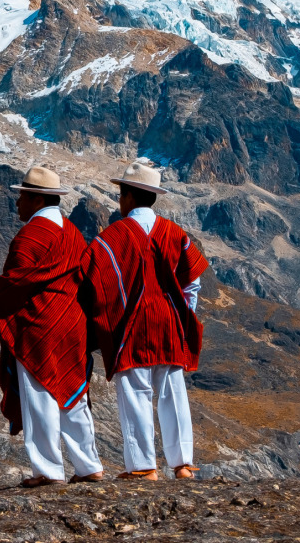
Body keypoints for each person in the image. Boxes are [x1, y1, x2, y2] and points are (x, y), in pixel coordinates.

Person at [81, 158, 209, 481]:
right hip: (169, 321)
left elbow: (98, 283)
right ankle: (182, 465)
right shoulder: (174, 232)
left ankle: (143, 467)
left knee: (136, 392)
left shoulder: (112, 237)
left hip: (133, 325)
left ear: (128, 196)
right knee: (172, 391)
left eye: (121, 194)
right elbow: (192, 280)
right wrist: (184, 313)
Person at [0, 166, 104, 487]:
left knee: (39, 395)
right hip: (72, 324)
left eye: (22, 197)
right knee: (73, 393)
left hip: (38, 326)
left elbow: (14, 283)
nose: (17, 204)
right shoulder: (72, 232)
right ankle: (89, 465)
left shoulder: (30, 236)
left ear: (37, 199)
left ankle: (48, 470)